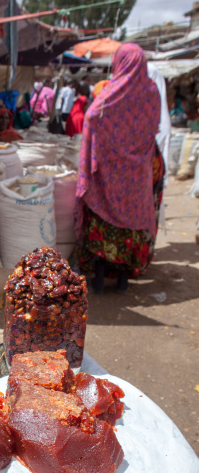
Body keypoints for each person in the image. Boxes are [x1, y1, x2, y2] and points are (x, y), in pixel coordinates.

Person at [75, 43, 163, 295]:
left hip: (111, 172)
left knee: (104, 219)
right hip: (138, 172)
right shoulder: (151, 90)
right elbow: (154, 125)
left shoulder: (113, 90)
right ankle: (124, 279)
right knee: (130, 224)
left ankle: (101, 278)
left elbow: (91, 116)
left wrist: (108, 142)